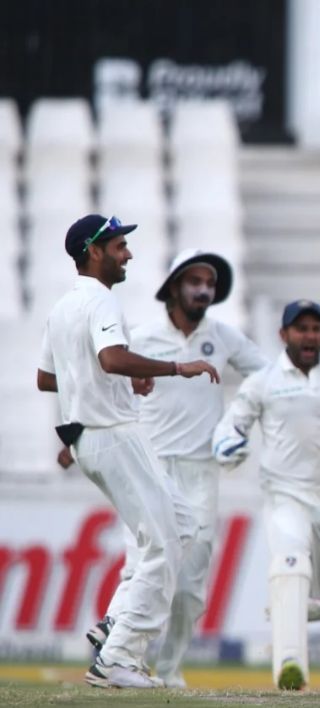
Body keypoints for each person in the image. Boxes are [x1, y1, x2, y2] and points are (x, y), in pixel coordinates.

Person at [80, 250, 320, 688]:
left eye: (210, 283)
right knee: (146, 556)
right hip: (150, 463)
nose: (203, 289)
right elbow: (103, 378)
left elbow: (276, 374)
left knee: (191, 582)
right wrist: (81, 433)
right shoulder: (141, 336)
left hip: (201, 469)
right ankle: (119, 641)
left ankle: (169, 669)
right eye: (194, 280)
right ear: (174, 286)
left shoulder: (225, 336)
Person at [36, 214, 220, 689]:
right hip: (115, 433)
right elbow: (111, 358)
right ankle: (117, 656)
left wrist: (108, 380)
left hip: (90, 436)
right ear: (93, 251)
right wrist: (175, 368)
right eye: (119, 246)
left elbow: (47, 377)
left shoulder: (63, 307)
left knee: (181, 526)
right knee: (162, 543)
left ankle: (116, 624)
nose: (128, 254)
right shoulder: (101, 302)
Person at [211, 300, 320, 690]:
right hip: (285, 494)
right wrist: (227, 442)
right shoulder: (263, 380)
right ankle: (291, 667)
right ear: (283, 335)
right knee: (290, 562)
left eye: (316, 328)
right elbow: (232, 423)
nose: (309, 336)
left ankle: (296, 602)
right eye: (301, 328)